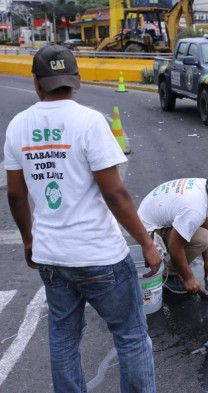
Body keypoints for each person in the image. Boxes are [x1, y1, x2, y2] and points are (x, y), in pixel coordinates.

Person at [4, 44, 161, 392]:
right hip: (99, 255)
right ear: (76, 80)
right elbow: (115, 193)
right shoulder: (89, 121)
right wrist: (147, 243)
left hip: (50, 255)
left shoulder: (18, 127)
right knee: (131, 336)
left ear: (36, 83)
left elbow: (16, 194)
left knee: (63, 339)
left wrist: (30, 240)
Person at [137, 167, 208, 296]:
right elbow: (175, 246)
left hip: (149, 219)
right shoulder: (195, 209)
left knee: (204, 234)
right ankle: (169, 275)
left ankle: (173, 268)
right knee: (201, 239)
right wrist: (189, 278)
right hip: (146, 232)